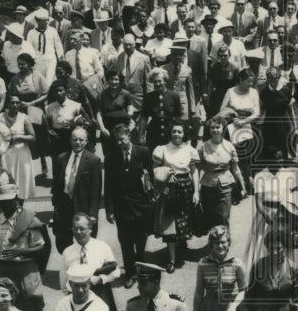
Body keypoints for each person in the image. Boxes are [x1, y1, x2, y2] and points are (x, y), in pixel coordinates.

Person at [103, 121, 154, 288]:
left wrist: (149, 202)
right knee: (125, 243)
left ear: (129, 136)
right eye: (117, 140)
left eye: (122, 139)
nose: (120, 143)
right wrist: (109, 210)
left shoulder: (144, 152)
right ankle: (130, 274)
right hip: (121, 207)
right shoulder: (111, 157)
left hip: (141, 206)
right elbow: (108, 185)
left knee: (141, 241)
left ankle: (140, 271)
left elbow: (150, 179)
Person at [152, 122, 200, 273]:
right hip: (170, 189)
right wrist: (167, 172)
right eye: (174, 131)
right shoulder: (163, 149)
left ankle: (182, 244)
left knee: (184, 220)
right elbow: (154, 168)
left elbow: (194, 171)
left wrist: (196, 191)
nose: (176, 134)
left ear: (184, 134)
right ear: (170, 133)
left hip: (186, 188)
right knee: (170, 223)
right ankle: (171, 259)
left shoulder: (190, 150)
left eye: (179, 132)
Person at [59, 212, 120, 311]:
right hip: (77, 297)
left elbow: (116, 271)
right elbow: (63, 283)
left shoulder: (102, 247)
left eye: (82, 229)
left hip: (100, 294)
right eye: (75, 229)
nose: (78, 232)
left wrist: (99, 279)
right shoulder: (67, 252)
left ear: (90, 229)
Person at [52, 126, 103, 254]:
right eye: (75, 139)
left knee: (86, 246)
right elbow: (57, 186)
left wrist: (92, 214)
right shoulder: (61, 158)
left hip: (83, 209)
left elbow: (95, 190)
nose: (78, 142)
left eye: (81, 139)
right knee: (62, 245)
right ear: (70, 140)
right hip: (64, 208)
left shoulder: (93, 161)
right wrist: (56, 207)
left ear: (86, 141)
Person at [243, 231, 298, 311]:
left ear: (285, 248)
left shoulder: (293, 269)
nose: (275, 252)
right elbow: (250, 295)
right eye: (271, 248)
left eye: (278, 248)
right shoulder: (258, 265)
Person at [198, 116, 246, 231]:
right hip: (207, 185)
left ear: (222, 128)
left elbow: (235, 169)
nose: (215, 130)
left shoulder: (229, 146)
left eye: (217, 127)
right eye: (212, 128)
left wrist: (243, 186)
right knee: (210, 216)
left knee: (224, 216)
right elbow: (198, 169)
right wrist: (196, 189)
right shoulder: (203, 147)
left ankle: (224, 241)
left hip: (226, 184)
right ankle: (214, 243)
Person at [0, 93, 36, 200]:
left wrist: (19, 137)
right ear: (7, 104)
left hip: (21, 153)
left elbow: (33, 137)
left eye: (17, 103)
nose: (15, 105)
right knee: (6, 182)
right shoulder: (0, 116)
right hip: (5, 153)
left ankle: (20, 208)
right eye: (12, 102)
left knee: (21, 183)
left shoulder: (24, 118)